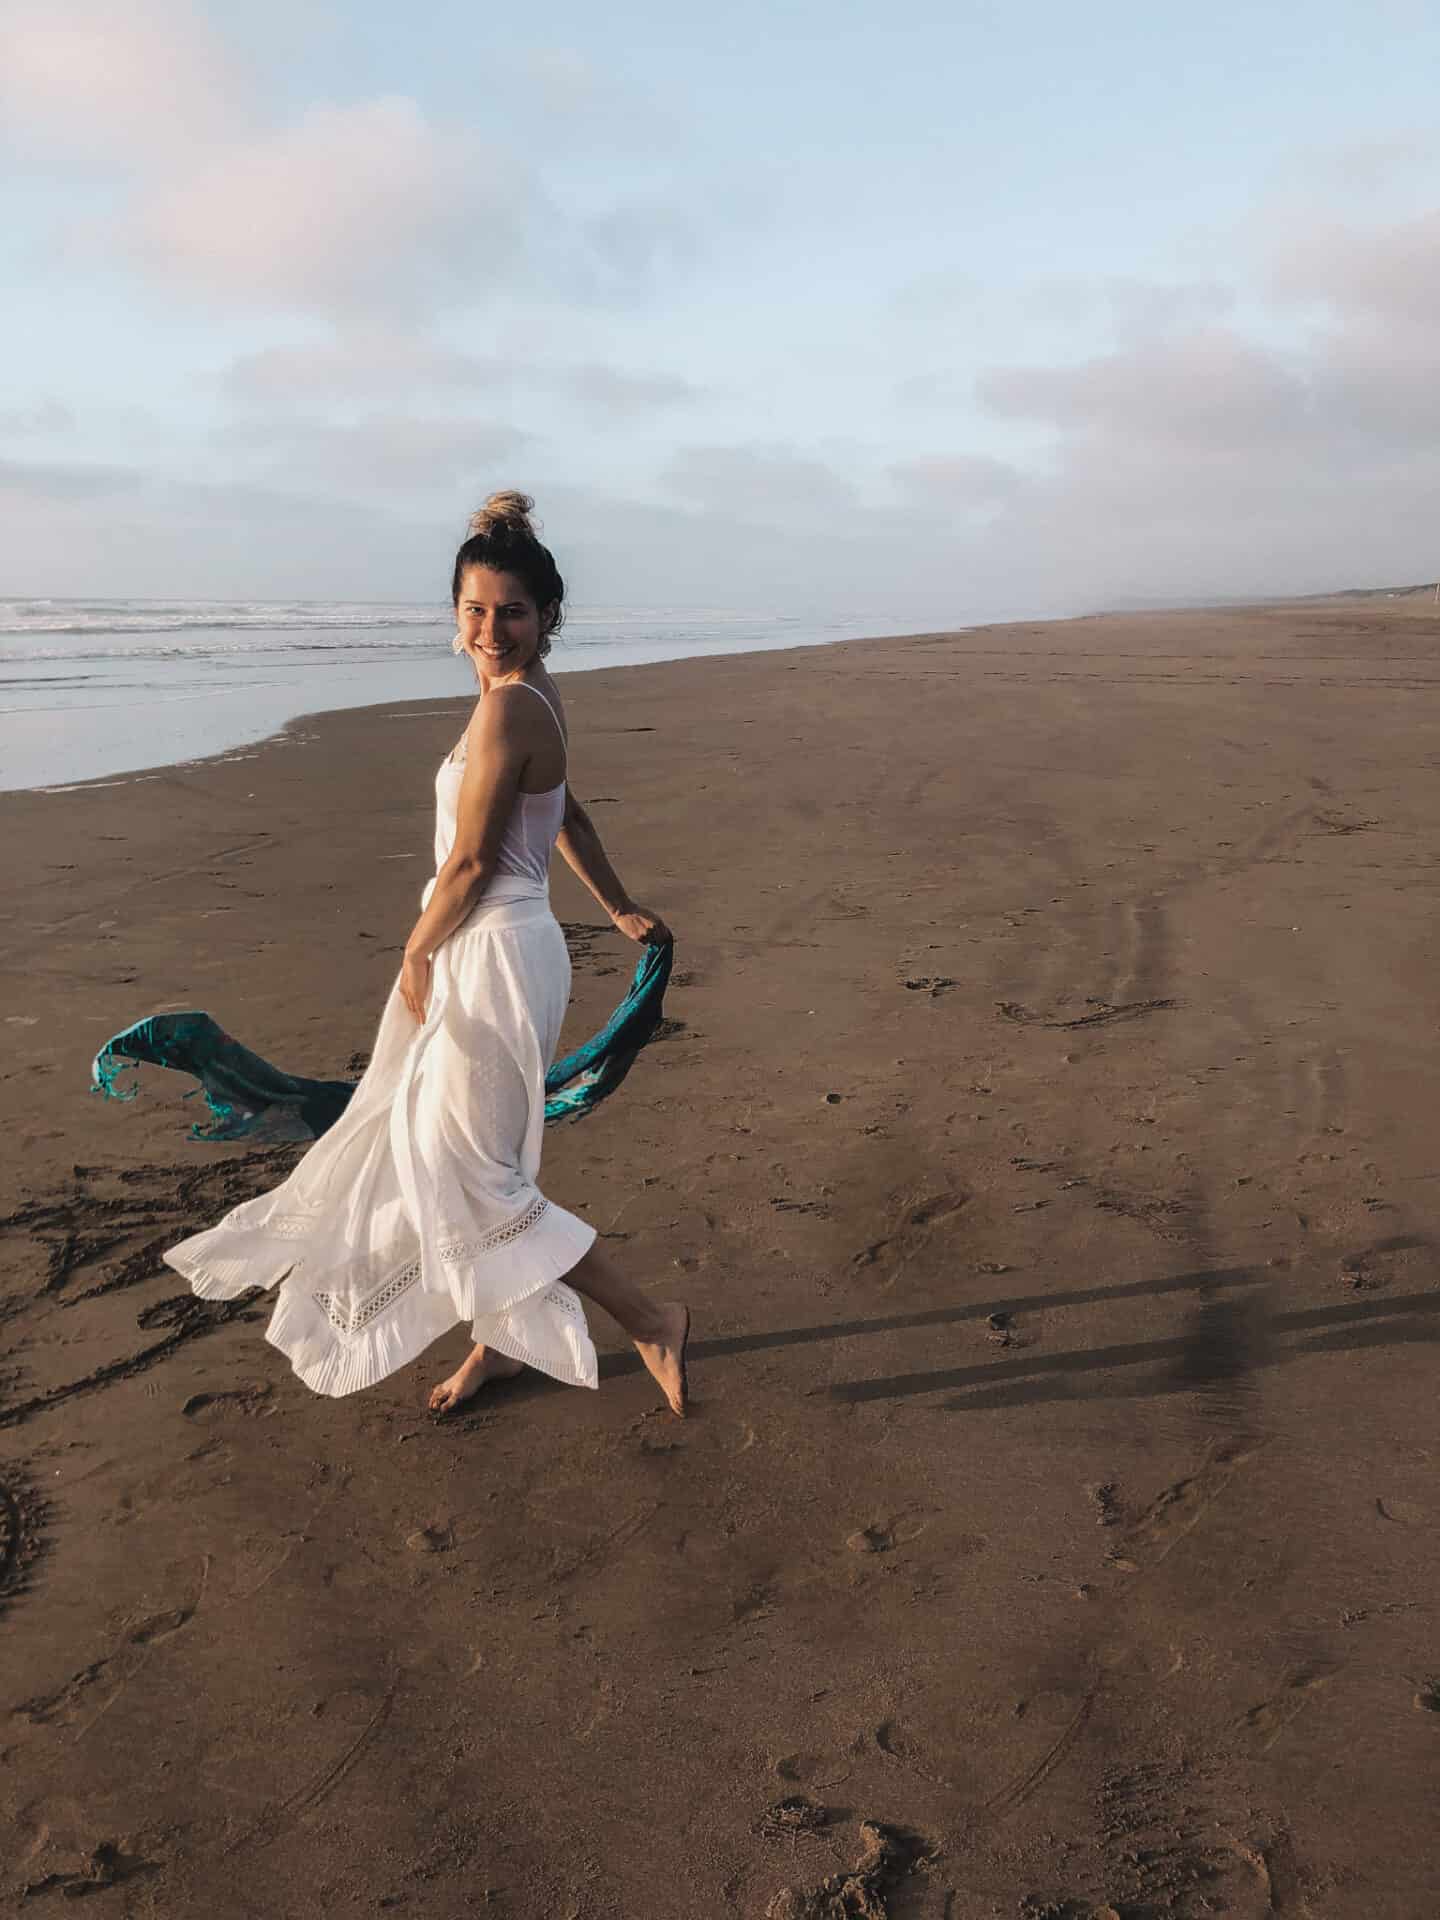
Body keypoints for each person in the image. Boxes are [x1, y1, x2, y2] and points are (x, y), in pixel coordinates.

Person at [164, 493, 690, 1419]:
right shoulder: (523, 696)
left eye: (513, 611)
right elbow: (564, 812)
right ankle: (500, 1344)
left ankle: (651, 1320)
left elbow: (475, 861)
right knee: (480, 1158)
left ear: (547, 617)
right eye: (475, 611)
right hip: (503, 947)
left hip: (486, 953)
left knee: (474, 1175)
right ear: (455, 616)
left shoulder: (509, 712)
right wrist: (614, 904)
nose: (492, 628)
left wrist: (414, 957)